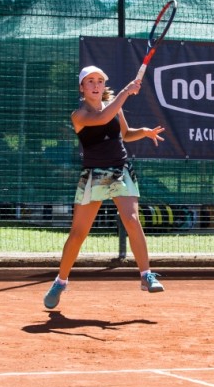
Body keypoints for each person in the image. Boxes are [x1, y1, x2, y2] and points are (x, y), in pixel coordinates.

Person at [44, 65, 166, 309]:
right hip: (94, 175)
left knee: (132, 220)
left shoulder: (115, 107)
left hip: (120, 171)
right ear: (82, 87)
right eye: (90, 81)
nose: (96, 85)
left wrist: (143, 132)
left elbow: (125, 134)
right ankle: (60, 281)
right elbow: (101, 119)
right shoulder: (78, 114)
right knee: (78, 234)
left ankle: (146, 275)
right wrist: (125, 92)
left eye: (99, 80)